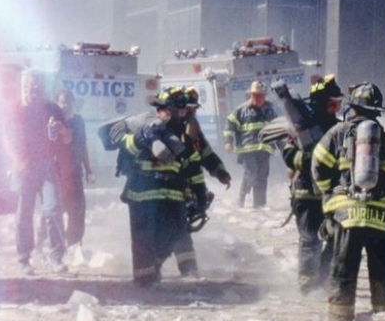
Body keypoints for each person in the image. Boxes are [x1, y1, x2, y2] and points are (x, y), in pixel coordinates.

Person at [312, 82, 385, 321]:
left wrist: (329, 194)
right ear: (377, 111)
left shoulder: (337, 134)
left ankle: (340, 320)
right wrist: (384, 190)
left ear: (352, 107)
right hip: (381, 217)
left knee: (343, 270)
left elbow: (318, 165)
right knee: (384, 270)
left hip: (347, 216)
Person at [103, 87, 196, 287]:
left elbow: (186, 167)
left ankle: (162, 266)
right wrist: (141, 138)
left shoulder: (180, 134)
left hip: (172, 194)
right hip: (143, 195)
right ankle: (144, 282)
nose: (178, 115)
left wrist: (192, 195)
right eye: (173, 110)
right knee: (143, 240)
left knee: (176, 233)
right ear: (162, 110)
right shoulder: (142, 126)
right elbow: (126, 146)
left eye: (181, 111)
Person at [4, 70, 71, 276]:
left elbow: (68, 138)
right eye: (31, 86)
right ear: (24, 86)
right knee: (24, 214)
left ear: (44, 88)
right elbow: (6, 138)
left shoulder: (53, 109)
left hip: (47, 165)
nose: (34, 90)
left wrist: (61, 129)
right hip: (24, 166)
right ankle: (24, 259)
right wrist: (17, 161)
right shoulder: (15, 109)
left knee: (53, 209)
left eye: (38, 86)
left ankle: (56, 257)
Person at [281, 75, 344, 293]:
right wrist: (310, 159)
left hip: (332, 195)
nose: (336, 109)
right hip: (306, 193)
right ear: (320, 103)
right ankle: (307, 283)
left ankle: (323, 278)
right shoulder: (300, 128)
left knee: (337, 238)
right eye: (332, 104)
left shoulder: (339, 129)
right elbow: (288, 154)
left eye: (338, 104)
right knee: (310, 239)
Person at [167, 86, 231, 277]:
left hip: (192, 190)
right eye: (190, 109)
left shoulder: (192, 131)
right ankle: (171, 269)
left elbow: (206, 153)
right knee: (176, 229)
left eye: (194, 109)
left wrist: (220, 171)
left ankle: (188, 271)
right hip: (174, 191)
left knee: (181, 229)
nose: (193, 113)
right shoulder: (166, 131)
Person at [223, 80, 277, 208]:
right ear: (251, 95)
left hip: (264, 149)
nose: (258, 98)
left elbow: (277, 128)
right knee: (252, 172)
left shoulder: (269, 110)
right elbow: (229, 125)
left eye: (261, 95)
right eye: (255, 95)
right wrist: (228, 142)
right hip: (246, 149)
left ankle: (259, 205)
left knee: (262, 176)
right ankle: (241, 200)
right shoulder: (241, 110)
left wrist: (285, 146)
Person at [54, 87, 94, 249]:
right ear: (57, 103)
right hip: (57, 174)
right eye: (62, 102)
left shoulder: (78, 121)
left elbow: (82, 146)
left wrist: (88, 168)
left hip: (75, 173)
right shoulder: (53, 122)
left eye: (69, 102)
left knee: (77, 211)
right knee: (55, 210)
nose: (65, 106)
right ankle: (46, 243)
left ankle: (74, 245)